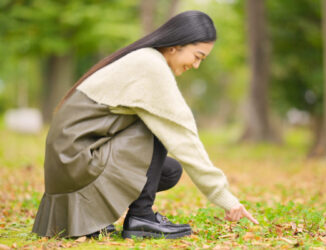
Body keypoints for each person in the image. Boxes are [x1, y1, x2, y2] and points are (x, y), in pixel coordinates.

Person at [32, 10, 258, 240]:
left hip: (69, 163)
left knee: (169, 171)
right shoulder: (151, 66)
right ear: (175, 46)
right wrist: (225, 198)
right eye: (197, 56)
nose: (197, 65)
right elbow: (184, 137)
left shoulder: (143, 59)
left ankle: (94, 217)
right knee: (159, 126)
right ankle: (142, 217)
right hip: (77, 161)